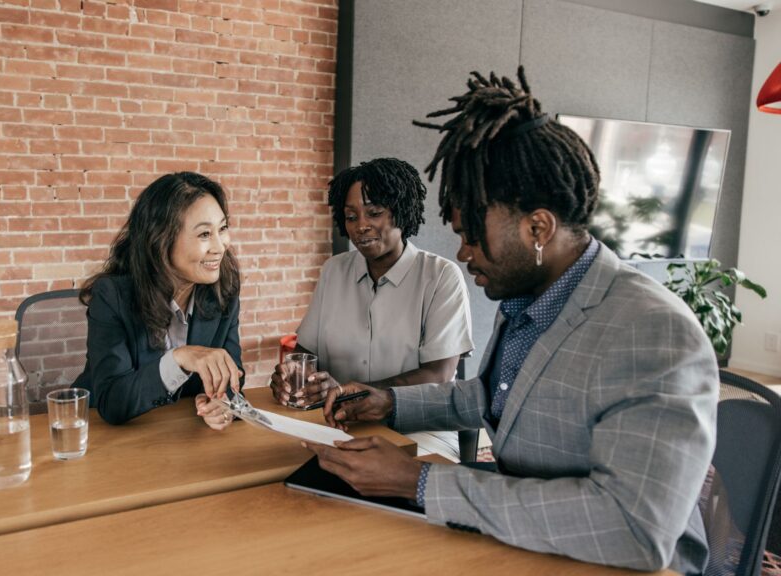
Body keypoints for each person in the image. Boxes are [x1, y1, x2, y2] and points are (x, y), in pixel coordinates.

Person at [307, 68, 718, 574]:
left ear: (538, 227)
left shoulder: (652, 330)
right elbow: (493, 396)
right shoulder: (530, 300)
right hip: (527, 540)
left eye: (474, 235)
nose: (463, 253)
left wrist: (420, 482)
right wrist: (389, 402)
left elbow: (632, 527)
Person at [268, 157, 474, 457]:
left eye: (374, 213)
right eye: (351, 217)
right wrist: (295, 377)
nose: (361, 226)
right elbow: (307, 353)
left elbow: (438, 375)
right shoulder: (334, 271)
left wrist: (356, 393)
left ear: (401, 213)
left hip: (419, 430)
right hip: (336, 425)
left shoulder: (440, 277)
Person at [73, 172, 243, 428]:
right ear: (161, 241)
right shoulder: (112, 296)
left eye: (222, 229)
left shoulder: (223, 288)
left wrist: (222, 403)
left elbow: (233, 375)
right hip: (106, 438)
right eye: (205, 234)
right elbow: (112, 402)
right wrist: (179, 359)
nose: (220, 246)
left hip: (180, 435)